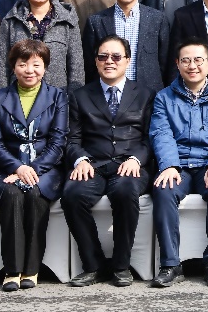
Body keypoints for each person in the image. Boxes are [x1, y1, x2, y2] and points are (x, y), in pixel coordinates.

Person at [61, 36, 155, 288]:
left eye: (116, 57)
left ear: (127, 60)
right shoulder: (80, 96)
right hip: (93, 165)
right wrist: (80, 159)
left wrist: (137, 159)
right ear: (96, 61)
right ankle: (94, 265)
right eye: (103, 57)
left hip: (129, 164)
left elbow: (151, 137)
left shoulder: (145, 94)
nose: (109, 61)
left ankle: (121, 266)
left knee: (125, 192)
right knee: (72, 194)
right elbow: (72, 139)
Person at [148, 39, 208, 288]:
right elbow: (161, 133)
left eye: (198, 60)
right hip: (178, 164)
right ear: (177, 64)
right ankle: (170, 264)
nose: (192, 66)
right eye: (186, 60)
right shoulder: (164, 97)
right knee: (163, 189)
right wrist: (169, 165)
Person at [0, 38, 69, 292]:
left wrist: (33, 169)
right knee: (11, 194)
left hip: (45, 168)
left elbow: (58, 142)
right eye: (22, 64)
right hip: (8, 168)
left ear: (45, 67)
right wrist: (17, 168)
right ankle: (12, 269)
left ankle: (31, 268)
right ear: (13, 67)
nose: (29, 70)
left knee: (35, 194)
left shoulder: (58, 97)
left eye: (36, 64)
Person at [0, 0, 84, 90]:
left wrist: (73, 98)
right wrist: (1, 97)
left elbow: (76, 65)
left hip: (58, 95)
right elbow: (1, 65)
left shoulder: (67, 20)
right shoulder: (11, 20)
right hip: (18, 95)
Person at [83, 0, 169, 93]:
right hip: (108, 94)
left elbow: (165, 62)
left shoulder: (157, 19)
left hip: (148, 95)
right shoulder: (96, 22)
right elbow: (89, 65)